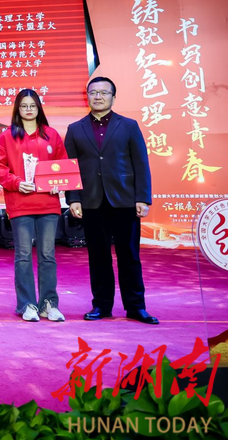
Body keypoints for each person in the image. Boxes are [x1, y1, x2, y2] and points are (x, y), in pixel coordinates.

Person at [64, 77, 158, 324]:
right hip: (91, 201)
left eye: (104, 93)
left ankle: (136, 306)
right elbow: (70, 167)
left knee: (129, 255)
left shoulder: (128, 126)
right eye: (93, 92)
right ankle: (102, 305)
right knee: (98, 256)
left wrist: (143, 198)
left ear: (113, 97)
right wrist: (73, 198)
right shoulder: (75, 129)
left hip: (125, 200)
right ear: (87, 96)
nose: (98, 97)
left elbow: (140, 163)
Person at [0, 90, 68, 322]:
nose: (28, 110)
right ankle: (27, 304)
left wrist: (58, 183)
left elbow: (62, 165)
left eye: (32, 105)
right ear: (18, 109)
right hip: (20, 204)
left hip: (48, 205)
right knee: (23, 256)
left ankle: (48, 304)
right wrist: (15, 182)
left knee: (47, 256)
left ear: (39, 108)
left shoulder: (51, 135)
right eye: (24, 106)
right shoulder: (7, 136)